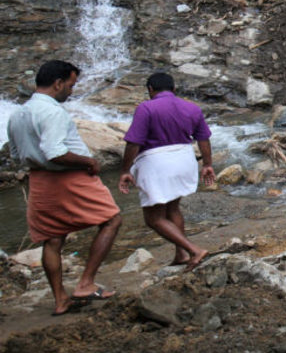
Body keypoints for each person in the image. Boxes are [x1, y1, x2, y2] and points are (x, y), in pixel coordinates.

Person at [6, 60, 122, 316]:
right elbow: (55, 152)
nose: (71, 91)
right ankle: (86, 283)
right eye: (70, 85)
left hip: (39, 181)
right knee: (112, 220)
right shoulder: (53, 112)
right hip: (70, 178)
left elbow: (16, 155)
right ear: (58, 83)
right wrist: (89, 161)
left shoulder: (17, 115)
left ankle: (60, 299)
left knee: (52, 238)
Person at [117, 71, 213, 271]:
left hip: (156, 163)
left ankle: (193, 250)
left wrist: (125, 169)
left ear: (150, 90)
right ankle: (181, 254)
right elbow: (203, 138)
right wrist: (207, 164)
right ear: (174, 89)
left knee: (154, 218)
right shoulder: (192, 107)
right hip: (185, 159)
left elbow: (134, 142)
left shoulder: (146, 108)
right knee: (172, 208)